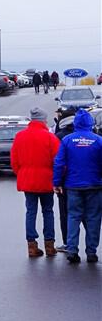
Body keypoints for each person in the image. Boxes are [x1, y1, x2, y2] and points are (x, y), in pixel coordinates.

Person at [53, 109, 102, 264]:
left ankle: (72, 250)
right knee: (93, 218)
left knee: (73, 217)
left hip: (73, 185)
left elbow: (59, 163)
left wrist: (57, 182)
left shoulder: (67, 140)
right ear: (90, 123)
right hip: (94, 185)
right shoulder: (98, 140)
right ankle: (91, 251)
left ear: (75, 123)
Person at [11, 107, 60, 257]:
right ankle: (50, 245)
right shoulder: (50, 138)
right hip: (46, 180)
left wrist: (22, 173)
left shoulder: (20, 136)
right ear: (43, 121)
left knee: (31, 212)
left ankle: (31, 246)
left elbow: (14, 161)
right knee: (48, 211)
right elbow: (57, 161)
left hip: (28, 181)